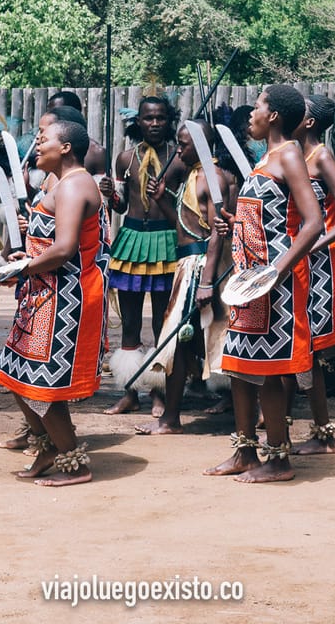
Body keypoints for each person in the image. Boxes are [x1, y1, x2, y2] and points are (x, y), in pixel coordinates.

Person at [205, 84, 323, 483]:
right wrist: (236, 223)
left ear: (273, 115)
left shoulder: (289, 153)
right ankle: (245, 452)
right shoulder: (267, 159)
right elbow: (268, 217)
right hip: (250, 283)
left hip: (276, 284)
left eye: (257, 106)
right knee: (239, 367)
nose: (250, 113)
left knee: (270, 370)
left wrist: (277, 272)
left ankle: (278, 459)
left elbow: (313, 222)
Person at [0, 118, 106, 487]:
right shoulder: (59, 183)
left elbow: (63, 249)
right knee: (15, 375)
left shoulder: (75, 186)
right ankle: (47, 447)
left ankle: (75, 464)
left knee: (45, 384)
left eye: (44, 141)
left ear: (67, 148)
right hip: (41, 294)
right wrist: (22, 261)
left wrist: (23, 269)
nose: (37, 146)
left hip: (65, 298)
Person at [133, 119, 234, 435]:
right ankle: (171, 418)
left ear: (202, 146)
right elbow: (184, 225)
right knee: (180, 344)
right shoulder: (194, 176)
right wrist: (163, 198)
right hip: (187, 265)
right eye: (178, 143)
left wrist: (206, 280)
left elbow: (218, 233)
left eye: (184, 144)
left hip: (202, 268)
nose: (178, 149)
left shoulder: (212, 179)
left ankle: (250, 411)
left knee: (205, 341)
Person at [99, 97, 181, 416]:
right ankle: (130, 392)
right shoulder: (124, 159)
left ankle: (159, 394)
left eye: (161, 118)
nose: (155, 124)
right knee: (130, 324)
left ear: (169, 120)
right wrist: (110, 193)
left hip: (166, 242)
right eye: (149, 118)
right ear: (138, 121)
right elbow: (120, 206)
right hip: (132, 240)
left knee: (163, 324)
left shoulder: (178, 157)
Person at [290, 94, 335, 455]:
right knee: (293, 341)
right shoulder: (291, 155)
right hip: (299, 257)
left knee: (312, 347)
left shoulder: (321, 157)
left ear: (310, 122)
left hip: (324, 260)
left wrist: (315, 244)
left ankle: (323, 434)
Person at [48, 91, 108, 173]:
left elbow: (101, 184)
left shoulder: (97, 153)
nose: (51, 117)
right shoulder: (43, 147)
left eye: (57, 112)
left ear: (73, 112)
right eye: (49, 112)